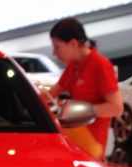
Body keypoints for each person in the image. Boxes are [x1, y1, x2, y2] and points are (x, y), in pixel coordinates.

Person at [47, 17, 122, 159]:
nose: (54, 53)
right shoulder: (74, 64)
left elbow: (116, 107)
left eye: (57, 47)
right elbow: (53, 92)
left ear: (73, 43)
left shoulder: (100, 65)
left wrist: (79, 112)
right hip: (75, 144)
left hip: (91, 148)